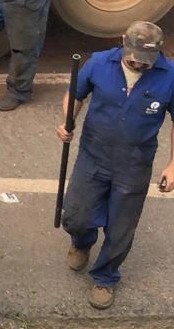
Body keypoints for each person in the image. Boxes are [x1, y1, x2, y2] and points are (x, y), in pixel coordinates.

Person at [56, 21, 174, 310]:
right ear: (123, 41)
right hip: (93, 154)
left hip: (135, 163)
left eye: (147, 60)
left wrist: (173, 165)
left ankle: (106, 277)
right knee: (76, 215)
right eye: (134, 56)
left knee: (121, 228)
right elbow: (76, 94)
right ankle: (81, 242)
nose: (139, 63)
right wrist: (67, 119)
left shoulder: (170, 75)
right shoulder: (98, 63)